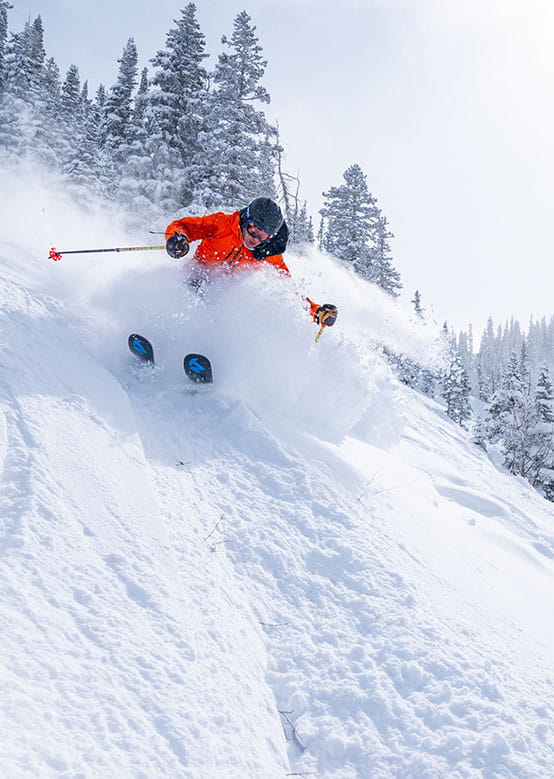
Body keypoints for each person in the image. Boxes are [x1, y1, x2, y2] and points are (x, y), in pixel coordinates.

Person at [165, 197, 338, 329]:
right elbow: (184, 226)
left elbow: (288, 291)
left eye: (264, 236)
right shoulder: (222, 224)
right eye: (253, 230)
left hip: (221, 297)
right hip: (194, 277)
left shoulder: (267, 253)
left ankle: (206, 357)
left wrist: (316, 312)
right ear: (245, 220)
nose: (255, 239)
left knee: (231, 317)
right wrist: (177, 239)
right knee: (186, 299)